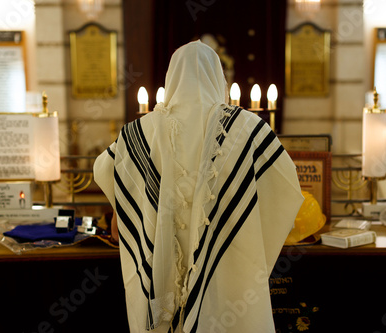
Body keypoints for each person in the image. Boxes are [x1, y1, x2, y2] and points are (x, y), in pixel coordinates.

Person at [93, 40, 304, 333]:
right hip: (227, 273)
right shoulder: (248, 128)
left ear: (171, 78)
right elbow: (286, 185)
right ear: (219, 78)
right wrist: (254, 234)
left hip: (160, 274)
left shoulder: (140, 130)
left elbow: (104, 168)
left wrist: (122, 208)